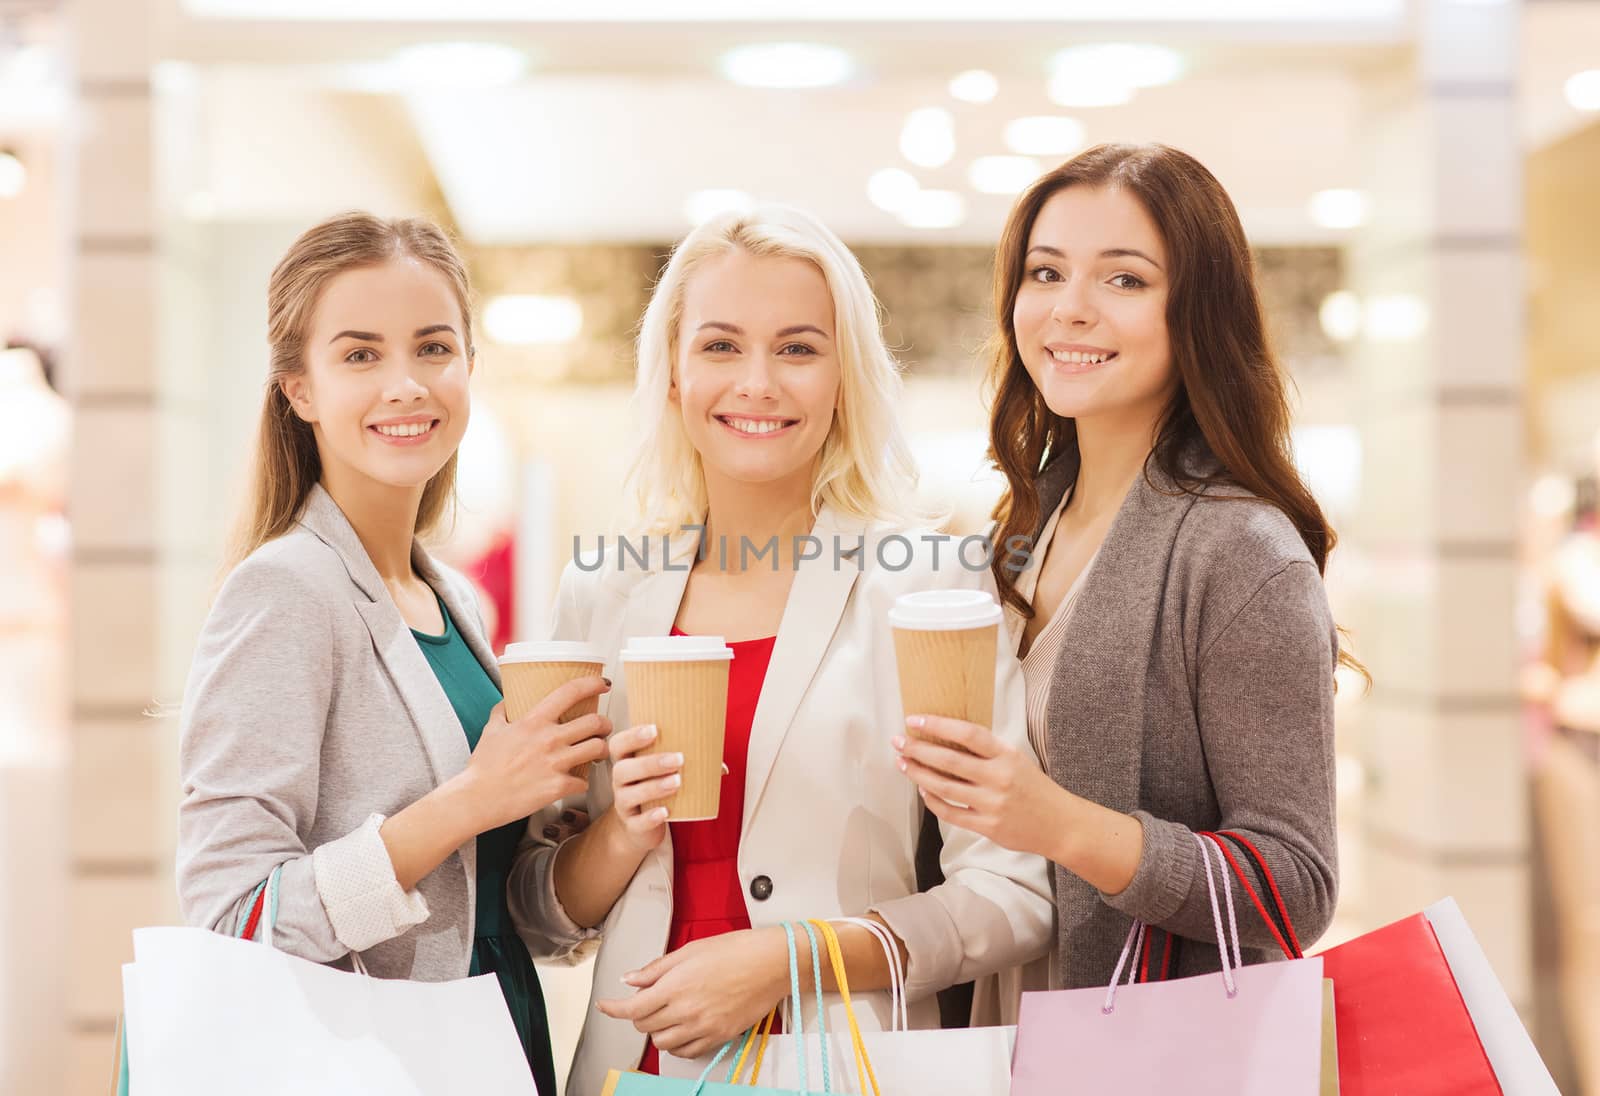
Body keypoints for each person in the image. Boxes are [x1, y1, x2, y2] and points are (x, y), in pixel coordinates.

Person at [510, 204, 1053, 1096]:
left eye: (798, 349)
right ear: (674, 377)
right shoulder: (602, 592)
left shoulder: (925, 587)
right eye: (720, 347)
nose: (756, 383)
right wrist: (619, 832)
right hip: (634, 1070)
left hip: (850, 1065)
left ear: (844, 378)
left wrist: (792, 959)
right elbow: (534, 913)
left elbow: (1013, 895)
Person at [897, 144, 1361, 997]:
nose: (1069, 311)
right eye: (1045, 273)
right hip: (990, 1032)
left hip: (1145, 1047)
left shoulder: (1239, 551)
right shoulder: (1023, 526)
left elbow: (1294, 887)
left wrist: (1062, 825)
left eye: (1124, 280)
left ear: (1198, 313)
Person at [175, 212, 609, 1095]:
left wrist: (613, 820)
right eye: (361, 355)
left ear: (470, 369)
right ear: (299, 389)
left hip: (490, 1030)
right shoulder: (288, 589)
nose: (406, 385)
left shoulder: (453, 601)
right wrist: (469, 801)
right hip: (366, 1058)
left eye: (434, 348)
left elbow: (502, 907)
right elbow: (232, 920)